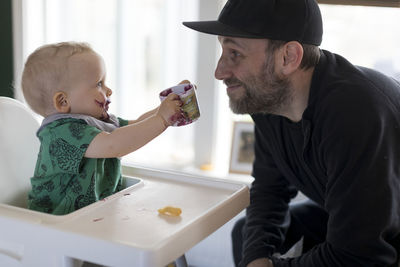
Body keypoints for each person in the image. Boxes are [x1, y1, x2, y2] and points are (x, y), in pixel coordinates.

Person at [182, 0, 400, 266]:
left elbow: (360, 256)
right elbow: (270, 188)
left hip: (387, 235)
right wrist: (257, 259)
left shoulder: (357, 114)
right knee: (248, 237)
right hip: (356, 215)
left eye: (235, 53)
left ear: (288, 57)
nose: (219, 72)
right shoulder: (269, 100)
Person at [22, 42, 185, 215]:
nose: (109, 90)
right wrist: (162, 119)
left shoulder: (94, 121)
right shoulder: (61, 133)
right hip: (50, 224)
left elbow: (135, 126)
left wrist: (167, 106)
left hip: (89, 217)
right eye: (99, 83)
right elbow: (113, 145)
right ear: (63, 101)